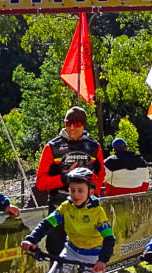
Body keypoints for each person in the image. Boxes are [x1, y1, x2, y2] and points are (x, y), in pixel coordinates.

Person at [35, 106, 105, 256]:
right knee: (55, 251)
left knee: (90, 249)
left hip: (87, 208)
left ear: (83, 125)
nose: (72, 128)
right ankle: (55, 272)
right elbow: (40, 182)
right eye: (68, 123)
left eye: (77, 124)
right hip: (59, 205)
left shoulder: (94, 147)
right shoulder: (52, 147)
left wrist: (93, 195)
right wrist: (65, 178)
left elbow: (101, 174)